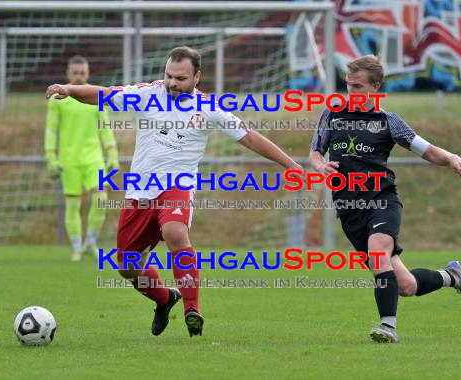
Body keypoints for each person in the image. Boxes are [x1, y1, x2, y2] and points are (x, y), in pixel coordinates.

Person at [46, 46, 304, 337]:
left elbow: (249, 138)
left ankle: (192, 308)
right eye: (169, 75)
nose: (171, 83)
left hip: (176, 187)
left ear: (197, 77)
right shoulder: (148, 94)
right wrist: (68, 88)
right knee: (127, 266)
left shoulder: (210, 108)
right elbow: (102, 94)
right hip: (140, 193)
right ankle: (165, 298)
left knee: (175, 233)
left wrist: (290, 164)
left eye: (180, 78)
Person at [309, 54, 461, 343]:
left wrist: (452, 157)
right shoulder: (331, 114)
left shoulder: (389, 122)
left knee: (378, 249)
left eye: (358, 87)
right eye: (348, 86)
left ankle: (387, 327)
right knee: (406, 285)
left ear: (375, 87)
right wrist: (320, 165)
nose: (350, 92)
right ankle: (452, 276)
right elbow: (315, 152)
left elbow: (426, 150)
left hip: (381, 200)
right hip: (350, 208)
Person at [45, 55, 119, 262]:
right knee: (72, 205)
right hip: (68, 160)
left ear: (88, 74)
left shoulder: (94, 96)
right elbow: (51, 130)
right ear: (68, 74)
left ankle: (90, 242)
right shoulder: (58, 98)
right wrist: (51, 158)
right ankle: (77, 247)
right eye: (75, 73)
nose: (78, 76)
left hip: (93, 158)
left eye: (82, 73)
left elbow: (105, 128)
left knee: (101, 199)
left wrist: (112, 153)